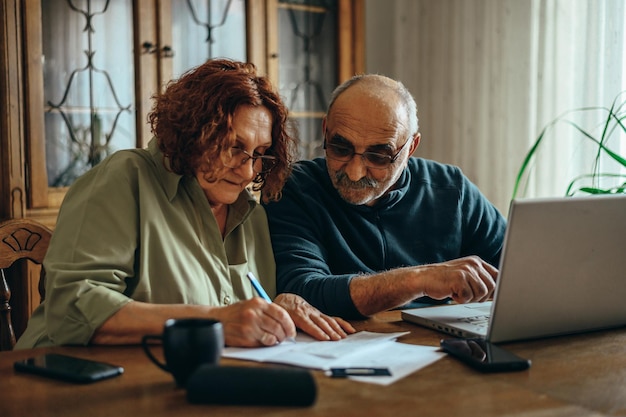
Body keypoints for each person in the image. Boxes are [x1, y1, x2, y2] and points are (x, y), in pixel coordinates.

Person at [15, 58, 354, 350]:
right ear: (194, 132)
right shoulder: (124, 179)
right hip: (60, 381)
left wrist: (276, 310)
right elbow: (72, 307)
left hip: (175, 384)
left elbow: (242, 315)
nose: (248, 169)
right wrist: (215, 321)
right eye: (234, 146)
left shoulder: (251, 215)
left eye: (260, 154)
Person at [263, 74, 507, 319]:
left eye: (379, 156)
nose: (355, 173)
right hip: (341, 350)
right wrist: (418, 280)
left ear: (411, 147)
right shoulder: (292, 188)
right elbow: (301, 293)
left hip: (437, 348)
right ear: (325, 130)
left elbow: (518, 270)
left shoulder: (451, 189)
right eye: (341, 148)